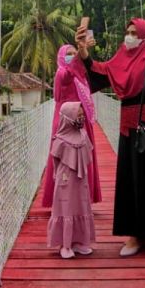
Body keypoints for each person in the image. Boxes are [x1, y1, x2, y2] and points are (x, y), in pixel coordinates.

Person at [76, 18, 145, 256]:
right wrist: (83, 51)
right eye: (128, 32)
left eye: (135, 33)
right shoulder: (121, 57)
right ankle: (138, 235)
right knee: (132, 178)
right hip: (127, 124)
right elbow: (100, 72)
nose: (130, 36)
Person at [39, 44, 102, 208]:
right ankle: (62, 200)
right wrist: (79, 55)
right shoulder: (62, 73)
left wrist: (84, 54)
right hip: (66, 123)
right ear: (61, 57)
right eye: (69, 54)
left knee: (83, 159)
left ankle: (82, 197)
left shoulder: (80, 75)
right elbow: (68, 74)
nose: (73, 56)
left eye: (74, 53)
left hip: (81, 121)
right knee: (64, 161)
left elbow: (88, 74)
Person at [47, 101, 96, 259]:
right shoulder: (60, 139)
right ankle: (65, 244)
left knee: (81, 205)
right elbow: (55, 161)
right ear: (67, 118)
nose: (81, 118)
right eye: (78, 115)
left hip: (81, 180)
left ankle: (79, 242)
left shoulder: (83, 135)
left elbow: (87, 158)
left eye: (82, 115)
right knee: (66, 207)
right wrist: (58, 176)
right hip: (65, 180)